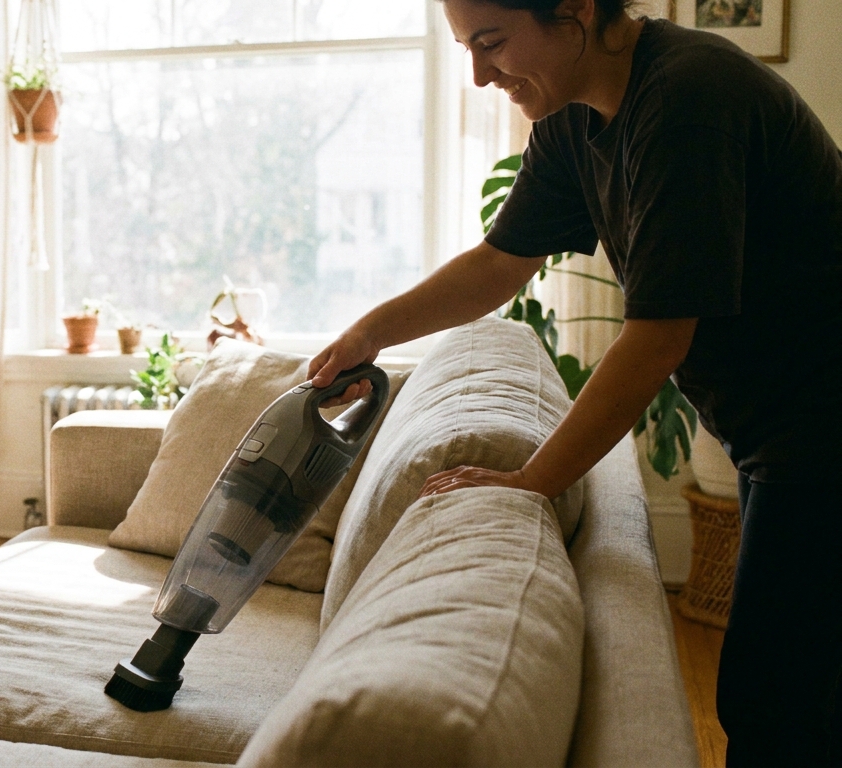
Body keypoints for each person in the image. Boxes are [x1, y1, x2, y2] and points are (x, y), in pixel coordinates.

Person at [308, 0, 842, 763]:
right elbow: (500, 263)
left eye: (491, 43)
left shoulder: (688, 100)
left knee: (774, 701)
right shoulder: (571, 117)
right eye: (466, 48)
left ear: (576, 10)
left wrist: (532, 479)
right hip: (779, 430)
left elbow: (658, 337)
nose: (480, 74)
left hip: (822, 424)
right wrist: (368, 334)